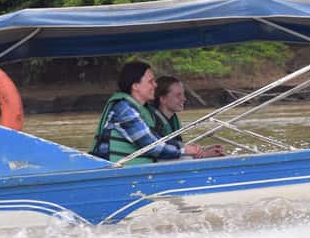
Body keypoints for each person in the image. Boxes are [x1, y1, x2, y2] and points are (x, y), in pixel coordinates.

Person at [91, 62, 223, 164]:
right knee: (185, 160)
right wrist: (187, 150)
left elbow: (159, 141)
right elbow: (152, 147)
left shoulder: (141, 109)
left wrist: (194, 151)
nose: (155, 85)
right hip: (114, 171)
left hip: (137, 168)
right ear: (135, 86)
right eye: (150, 81)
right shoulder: (124, 109)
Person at [148, 76, 187, 147]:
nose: (184, 99)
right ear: (163, 99)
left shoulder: (173, 120)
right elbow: (158, 148)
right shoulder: (151, 120)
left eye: (183, 94)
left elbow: (177, 146)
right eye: (178, 95)